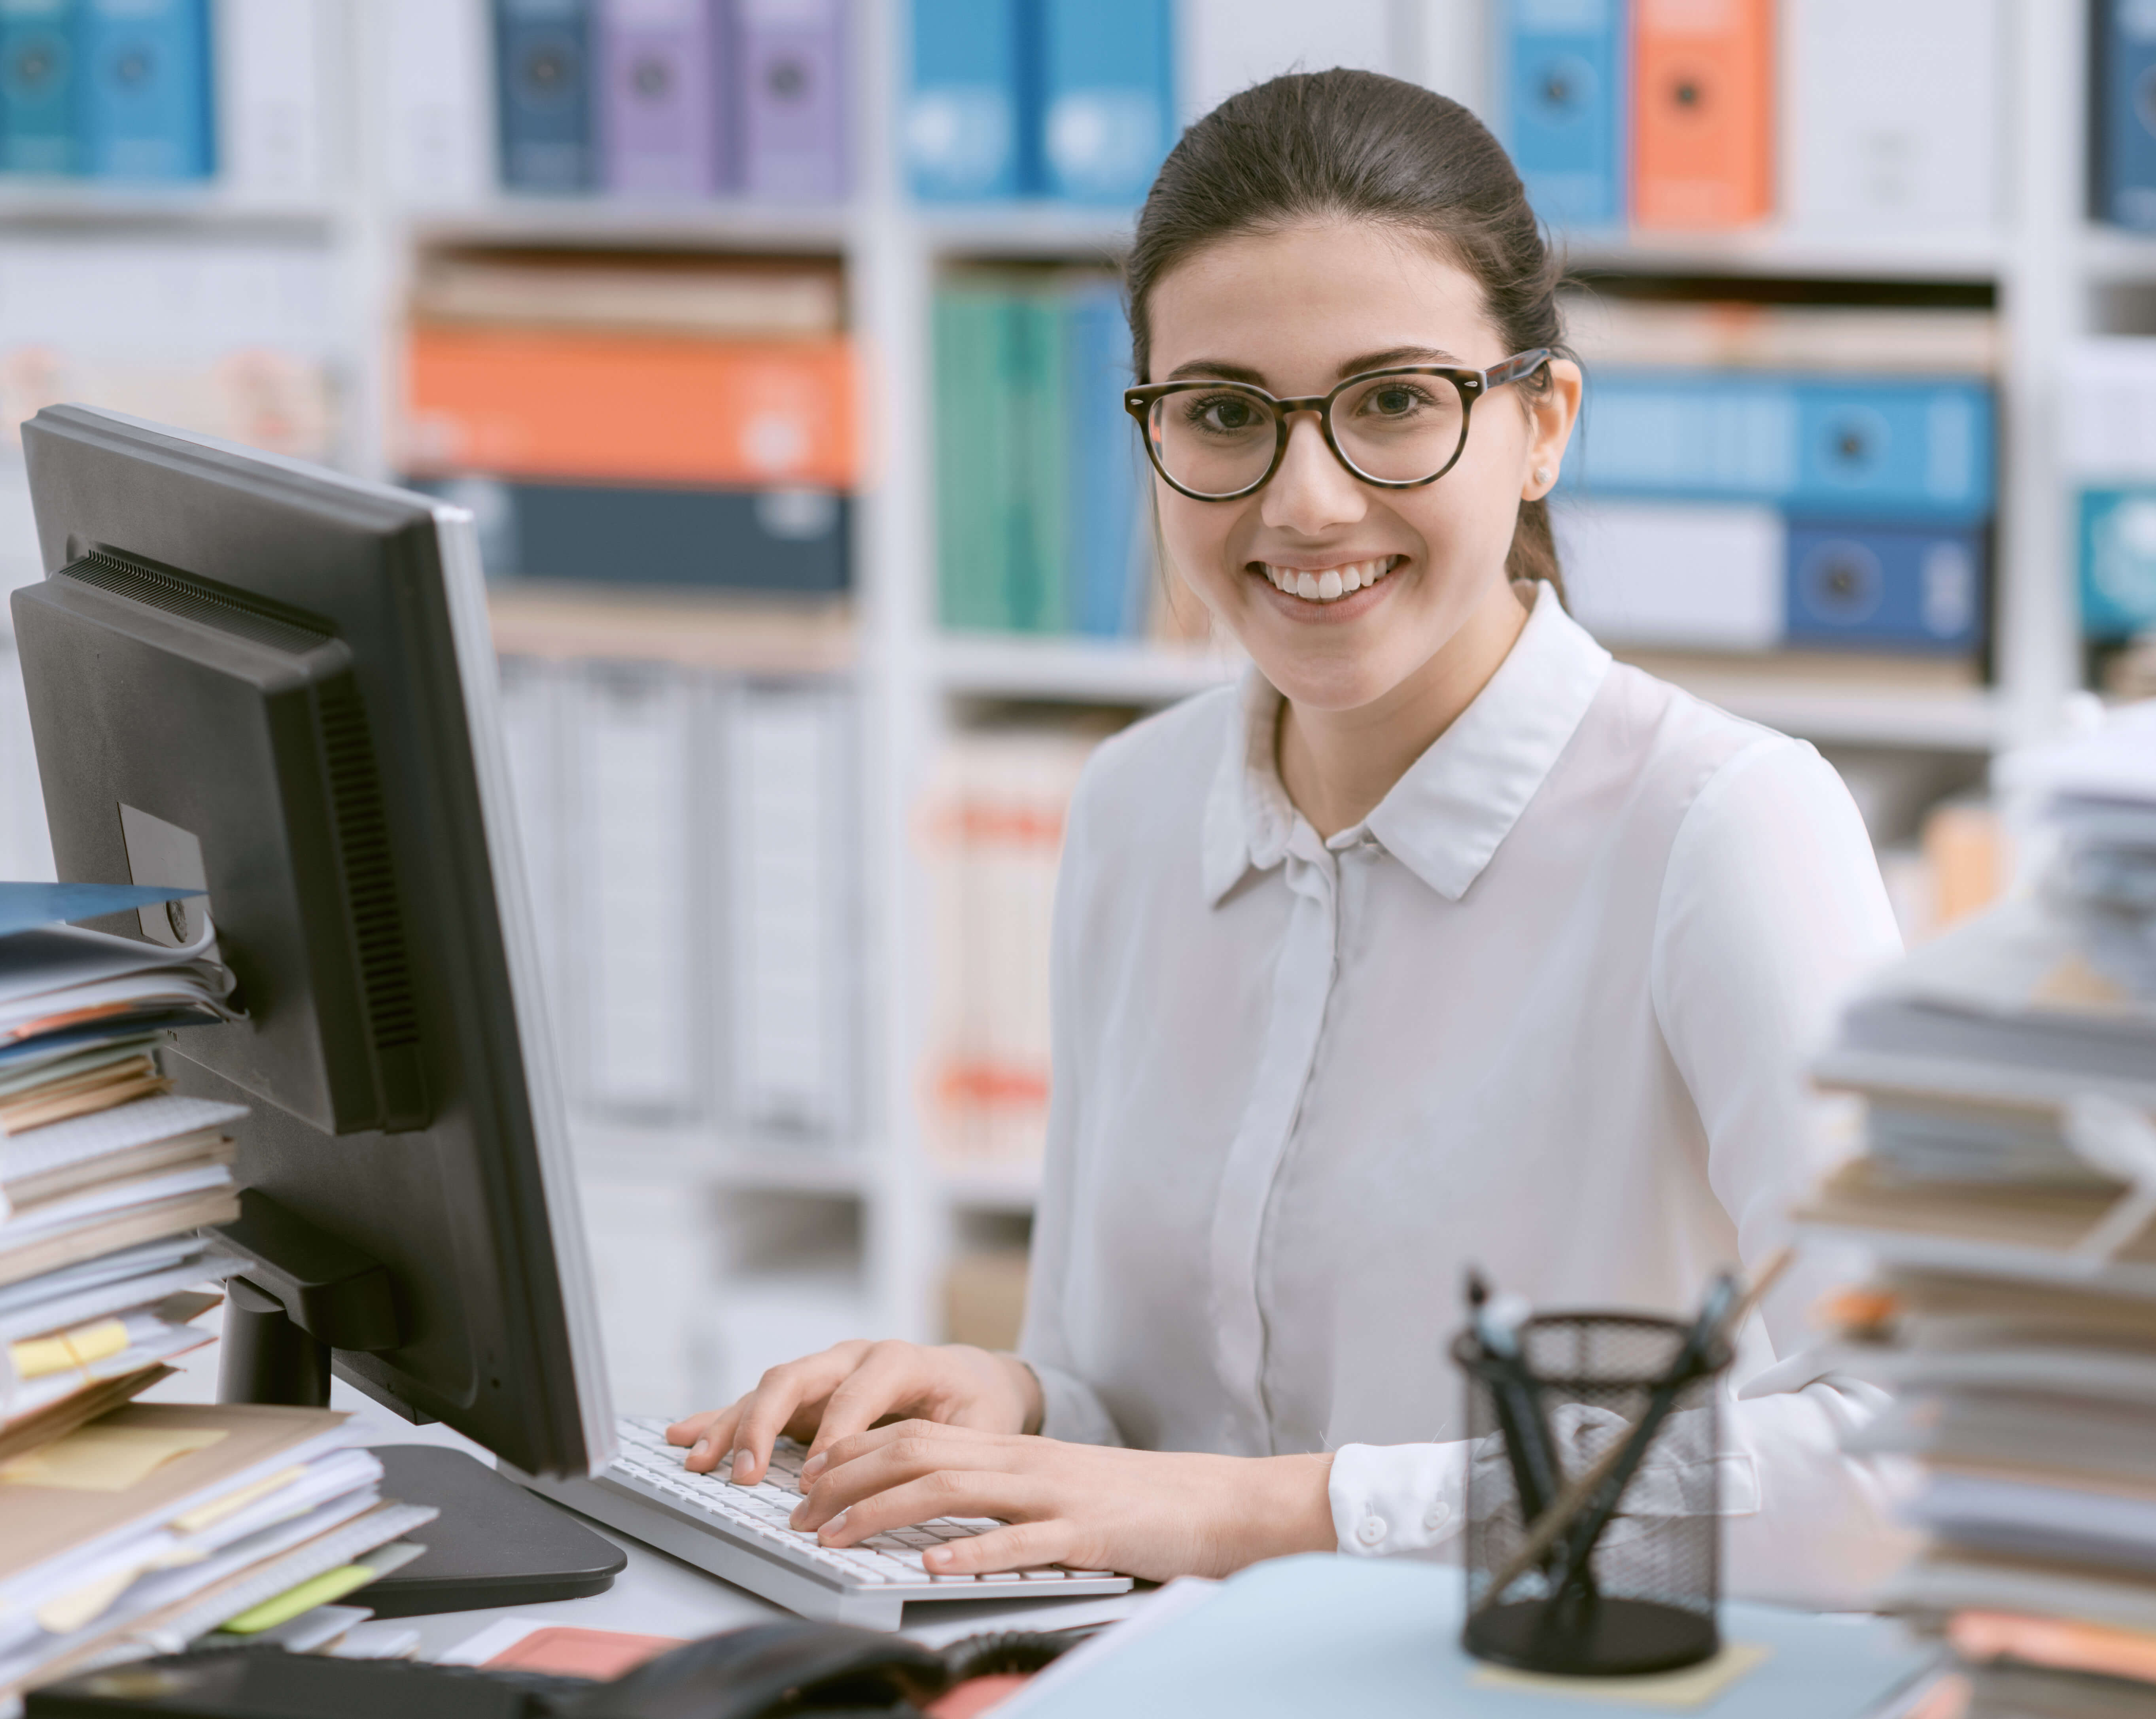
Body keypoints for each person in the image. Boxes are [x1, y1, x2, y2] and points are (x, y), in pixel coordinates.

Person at [669, 68, 1908, 1606]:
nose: (1305, 499)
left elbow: (1902, 1458)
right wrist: (1022, 1408)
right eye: (1223, 414)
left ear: (1539, 425)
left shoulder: (1722, 825)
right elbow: (1142, 1417)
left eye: (1393, 400)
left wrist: (1284, 1512)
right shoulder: (1134, 806)